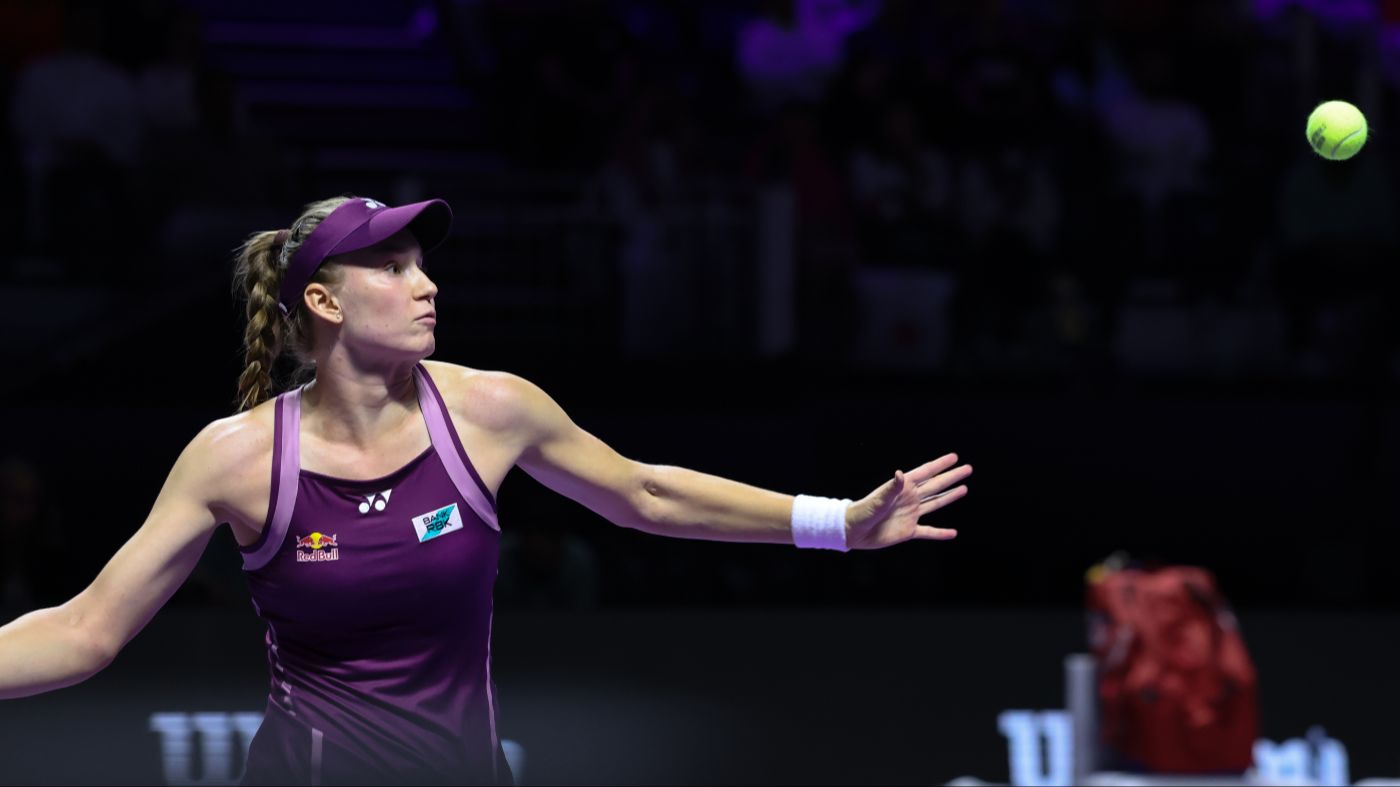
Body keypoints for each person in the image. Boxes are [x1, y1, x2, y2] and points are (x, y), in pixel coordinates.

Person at [0, 194, 973, 786]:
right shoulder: (238, 457)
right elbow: (86, 630)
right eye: (391, 267)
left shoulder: (492, 410)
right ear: (324, 301)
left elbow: (645, 493)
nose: (425, 284)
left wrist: (838, 524)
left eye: (423, 264)